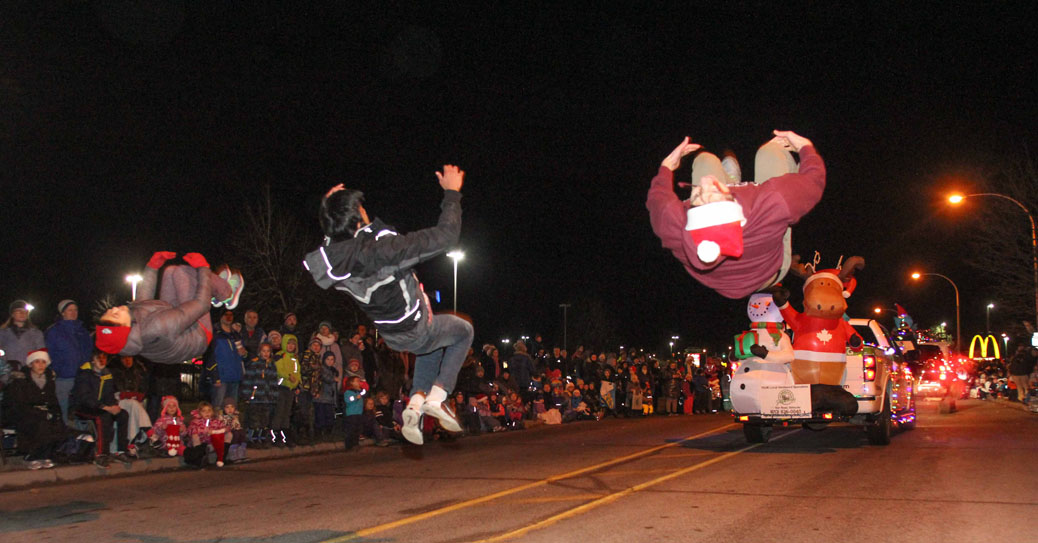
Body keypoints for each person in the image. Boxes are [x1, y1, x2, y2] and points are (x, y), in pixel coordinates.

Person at [305, 164, 474, 445]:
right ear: (358, 220)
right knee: (463, 330)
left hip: (391, 336)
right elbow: (445, 237)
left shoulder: (335, 264)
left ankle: (414, 405)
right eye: (360, 209)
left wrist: (329, 208)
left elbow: (335, 243)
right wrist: (452, 194)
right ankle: (439, 395)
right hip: (416, 325)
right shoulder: (385, 251)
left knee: (429, 348)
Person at [646, 130, 825, 299]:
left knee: (704, 160)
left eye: (699, 196)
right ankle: (734, 181)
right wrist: (804, 146)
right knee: (770, 152)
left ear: (691, 213)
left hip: (720, 282)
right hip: (770, 272)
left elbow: (658, 201)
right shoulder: (772, 203)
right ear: (732, 205)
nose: (707, 182)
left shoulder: (674, 223)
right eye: (714, 194)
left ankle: (730, 179)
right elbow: (814, 180)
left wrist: (667, 166)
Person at [94, 252, 245, 364]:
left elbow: (142, 301)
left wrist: (152, 267)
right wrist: (203, 268)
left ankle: (213, 287)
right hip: (198, 334)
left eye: (109, 311)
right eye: (115, 315)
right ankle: (227, 293)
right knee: (182, 273)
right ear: (126, 328)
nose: (114, 309)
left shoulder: (133, 326)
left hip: (174, 321)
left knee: (170, 271)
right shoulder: (156, 327)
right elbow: (201, 305)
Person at [6, 350, 69, 469]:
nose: (41, 365)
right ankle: (32, 456)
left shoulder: (49, 379)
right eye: (37, 362)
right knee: (40, 424)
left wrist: (56, 413)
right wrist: (39, 412)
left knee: (57, 424)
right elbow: (18, 403)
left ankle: (46, 455)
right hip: (23, 413)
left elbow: (52, 400)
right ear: (31, 364)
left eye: (43, 362)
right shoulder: (21, 380)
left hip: (43, 412)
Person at [72, 349, 133, 468]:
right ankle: (101, 454)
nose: (102, 361)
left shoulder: (106, 374)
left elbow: (109, 394)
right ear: (93, 360)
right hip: (83, 407)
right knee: (103, 417)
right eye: (99, 358)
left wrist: (113, 405)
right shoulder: (85, 373)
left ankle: (121, 451)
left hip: (101, 407)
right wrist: (104, 407)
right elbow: (84, 397)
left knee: (123, 414)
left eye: (104, 358)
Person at [44, 299, 93, 424]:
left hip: (82, 377)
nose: (73, 312)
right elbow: (49, 352)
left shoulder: (82, 331)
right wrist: (57, 368)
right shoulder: (54, 331)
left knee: (82, 410)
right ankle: (66, 437)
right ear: (63, 313)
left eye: (75, 310)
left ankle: (83, 438)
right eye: (70, 310)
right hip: (64, 377)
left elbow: (89, 350)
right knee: (64, 408)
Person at [241, 342, 279, 448]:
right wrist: (248, 395)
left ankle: (262, 438)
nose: (266, 353)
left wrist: (274, 396)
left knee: (265, 420)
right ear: (259, 352)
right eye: (263, 351)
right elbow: (248, 380)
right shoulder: (254, 364)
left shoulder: (272, 365)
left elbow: (274, 382)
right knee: (254, 420)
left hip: (267, 398)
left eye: (268, 351)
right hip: (256, 398)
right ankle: (252, 439)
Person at [207, 310, 247, 409]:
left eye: (231, 315)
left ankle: (231, 425)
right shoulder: (214, 334)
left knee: (232, 408)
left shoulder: (236, 335)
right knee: (218, 407)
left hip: (235, 376)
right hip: (221, 377)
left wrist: (244, 353)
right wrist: (215, 375)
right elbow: (209, 356)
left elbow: (242, 355)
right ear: (221, 317)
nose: (228, 317)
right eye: (226, 315)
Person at [0, 300, 46, 368]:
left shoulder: (36, 333)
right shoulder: (3, 333)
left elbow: (41, 353)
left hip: (28, 372)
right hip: (7, 372)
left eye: (25, 312)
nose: (22, 313)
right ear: (12, 314)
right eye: (19, 311)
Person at [314, 351, 339, 441]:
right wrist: (333, 379)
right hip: (321, 397)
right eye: (328, 359)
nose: (330, 361)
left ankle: (327, 434)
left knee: (329, 417)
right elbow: (325, 378)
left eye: (332, 359)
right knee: (320, 417)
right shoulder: (321, 369)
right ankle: (319, 434)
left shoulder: (334, 371)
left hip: (329, 398)